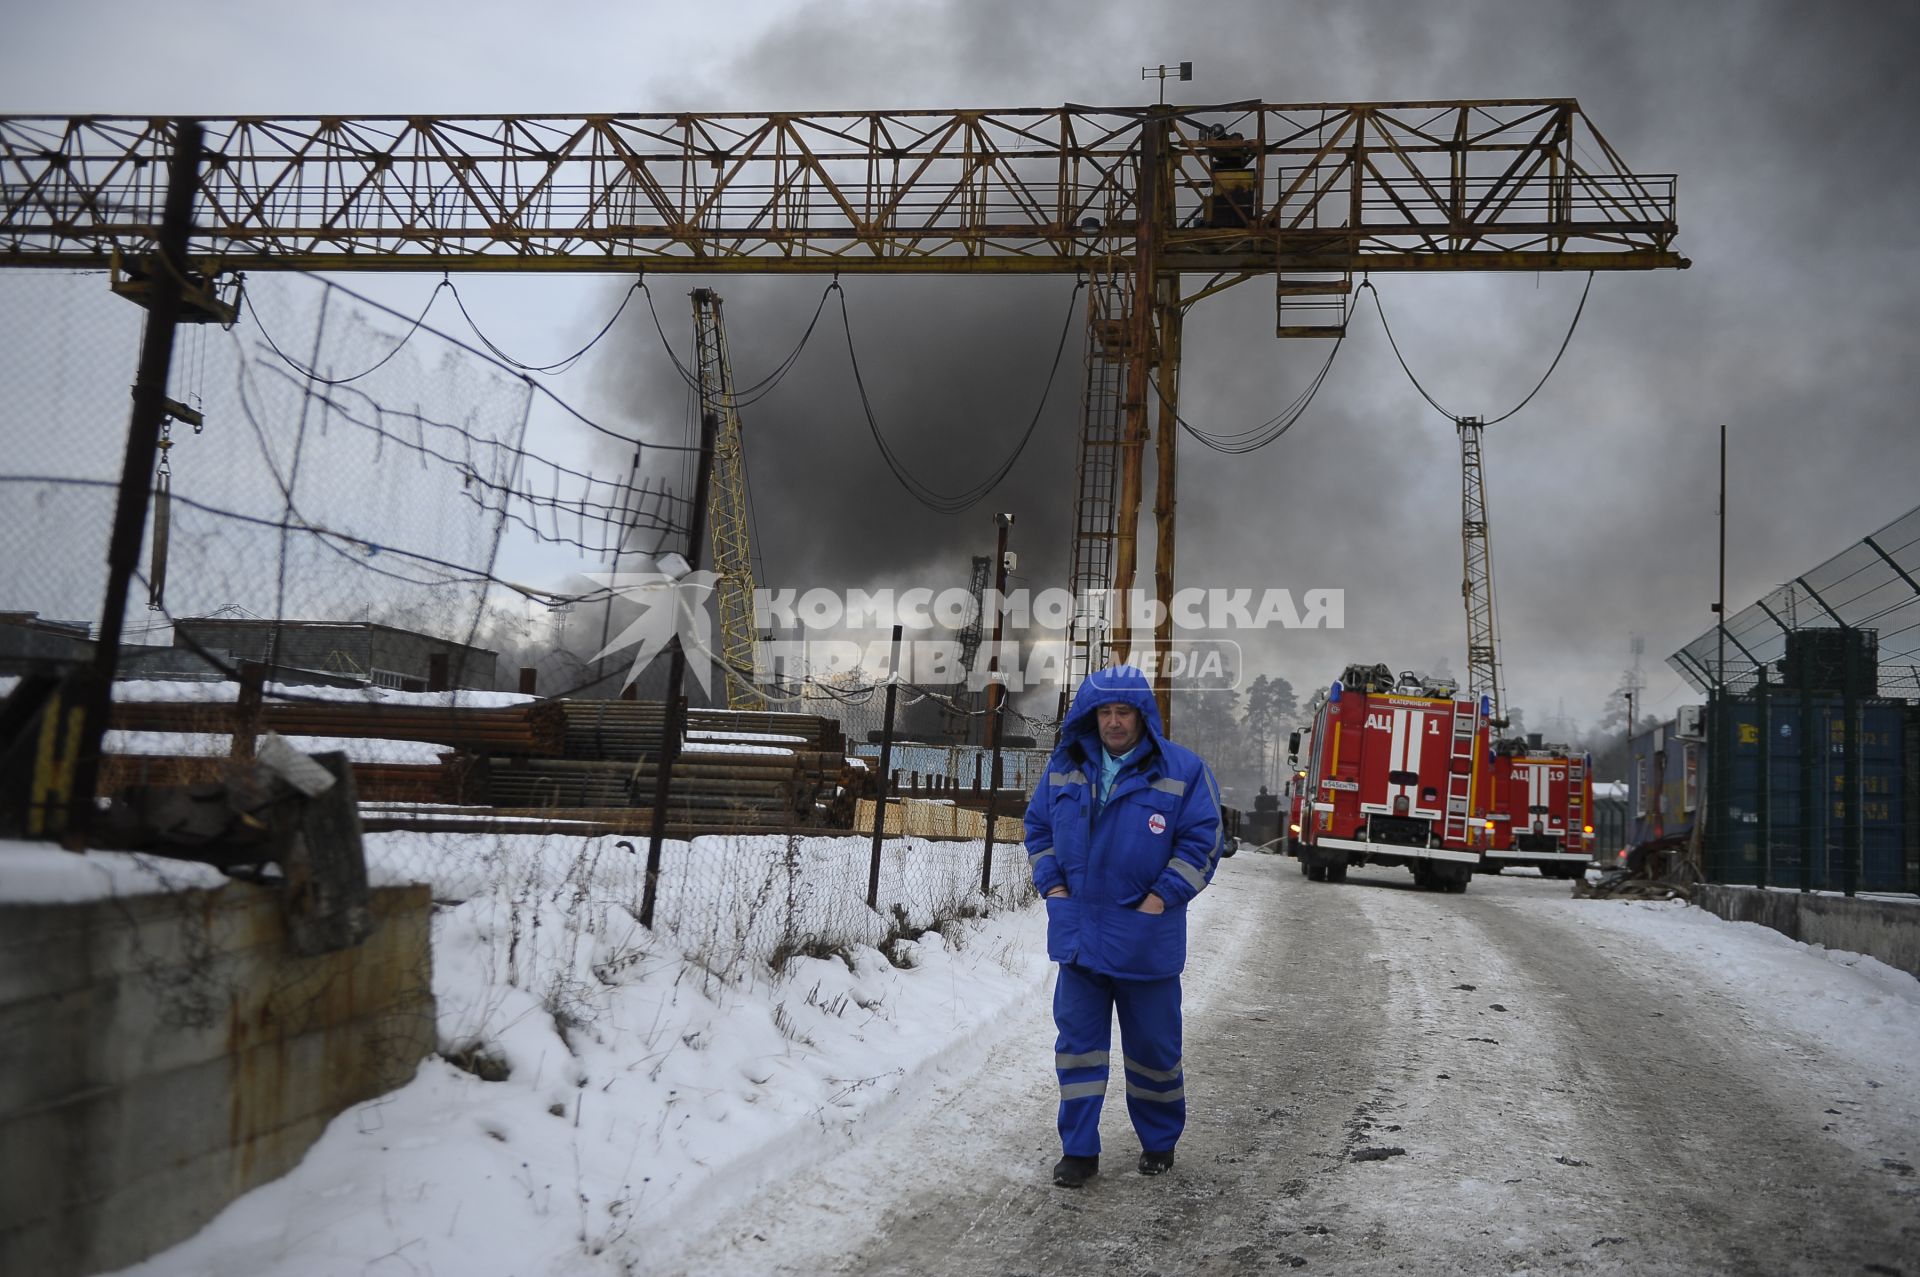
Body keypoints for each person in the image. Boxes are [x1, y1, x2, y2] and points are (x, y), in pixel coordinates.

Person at [1024, 663, 1224, 1188]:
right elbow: (1038, 829)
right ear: (1091, 715)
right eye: (1105, 712)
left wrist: (1161, 898)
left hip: (1145, 942)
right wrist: (1053, 886)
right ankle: (1079, 1151)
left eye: (1124, 711)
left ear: (1142, 716)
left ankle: (1159, 1142)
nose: (1114, 722)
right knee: (1078, 1050)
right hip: (1081, 942)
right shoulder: (1065, 767)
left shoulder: (1183, 770)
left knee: (1155, 1053)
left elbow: (1202, 843)